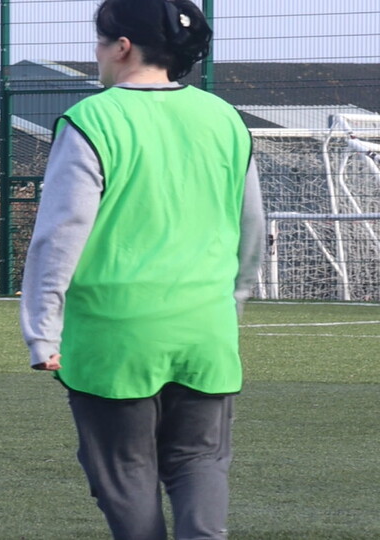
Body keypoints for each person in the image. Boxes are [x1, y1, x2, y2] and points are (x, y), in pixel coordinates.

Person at [20, 1, 265, 538]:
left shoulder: (92, 120)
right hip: (205, 330)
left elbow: (60, 236)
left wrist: (42, 332)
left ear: (122, 47)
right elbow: (253, 228)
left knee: (126, 475)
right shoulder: (225, 119)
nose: (96, 53)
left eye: (100, 41)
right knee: (200, 463)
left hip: (117, 335)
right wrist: (233, 301)